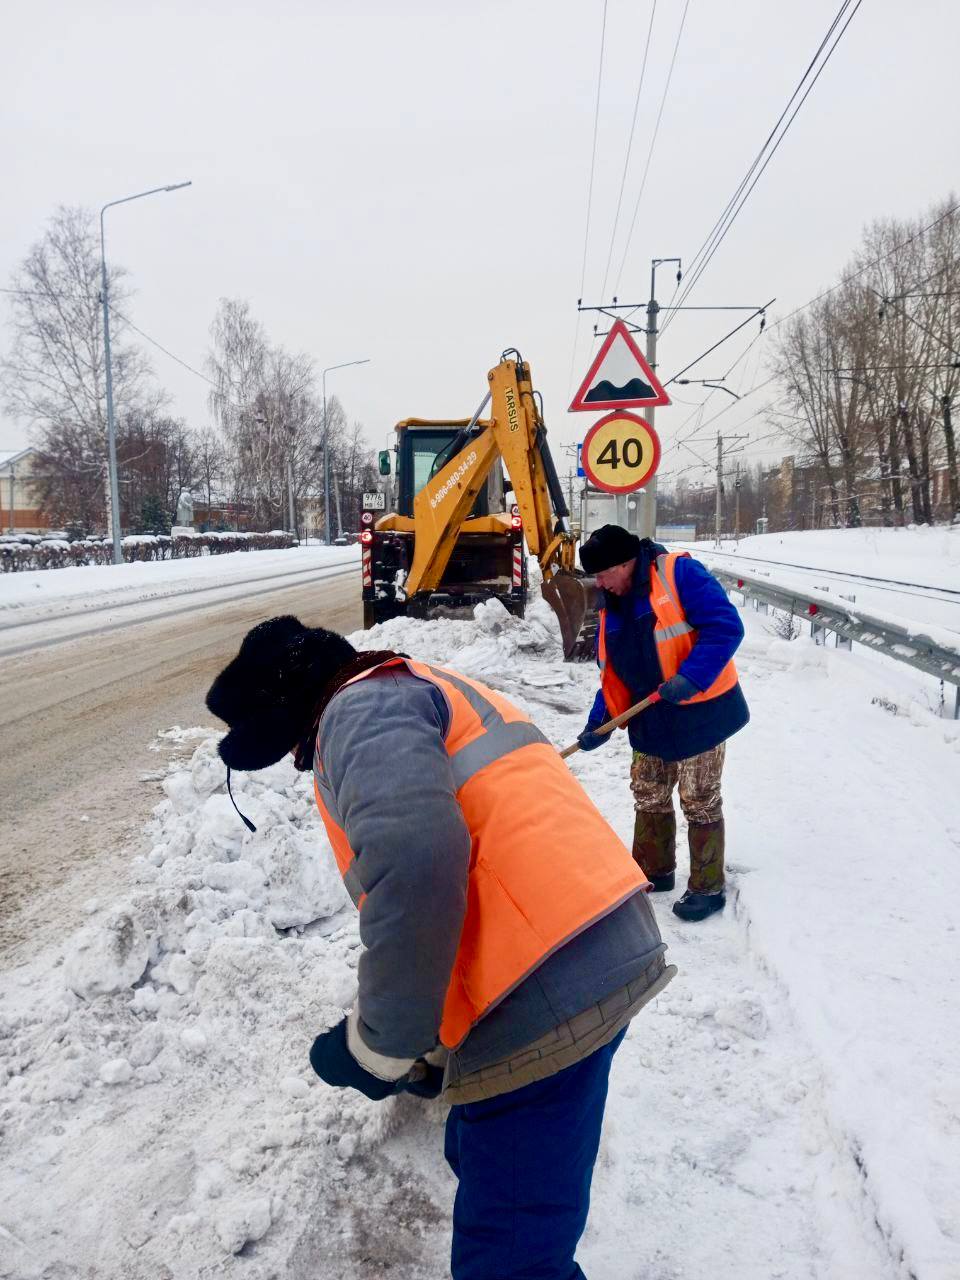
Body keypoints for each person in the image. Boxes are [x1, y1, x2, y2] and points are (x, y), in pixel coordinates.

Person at [206, 616, 676, 1280]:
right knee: (481, 1149)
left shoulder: (360, 711)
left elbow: (417, 862)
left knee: (510, 1262)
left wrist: (382, 1045)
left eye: (287, 745)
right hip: (588, 943)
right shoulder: (415, 686)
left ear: (299, 712)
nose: (296, 758)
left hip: (545, 987)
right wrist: (435, 1043)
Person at [577, 525, 749, 923]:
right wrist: (598, 723)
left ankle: (708, 887)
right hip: (650, 713)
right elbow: (614, 671)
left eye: (603, 575)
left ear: (625, 563)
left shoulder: (679, 575)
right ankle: (655, 870)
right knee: (648, 791)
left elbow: (725, 627)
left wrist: (691, 676)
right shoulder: (611, 602)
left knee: (698, 796)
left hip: (699, 708)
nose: (599, 584)